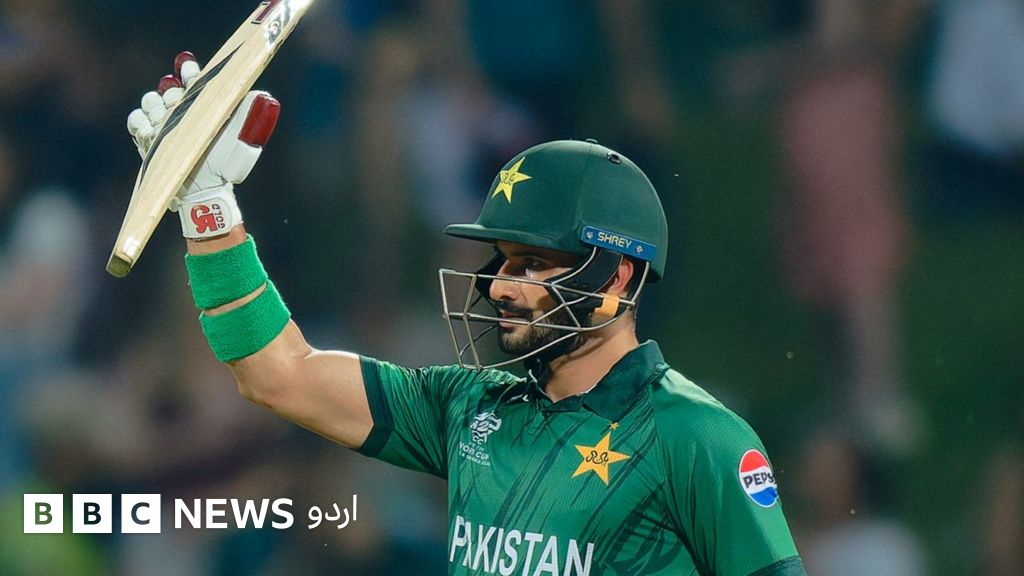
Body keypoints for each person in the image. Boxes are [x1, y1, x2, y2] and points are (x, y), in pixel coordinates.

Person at [125, 52, 806, 575]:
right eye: (503, 261)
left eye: (532, 264)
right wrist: (209, 209)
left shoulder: (699, 439)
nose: (502, 286)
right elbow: (278, 374)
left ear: (615, 277)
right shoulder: (469, 407)